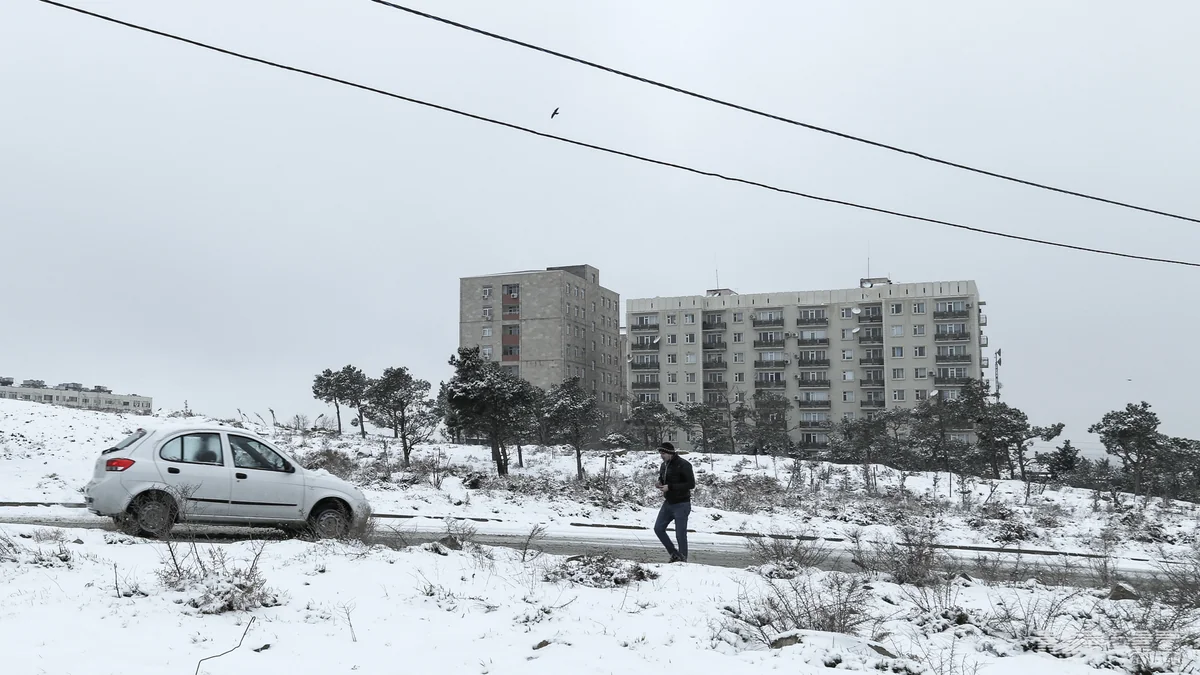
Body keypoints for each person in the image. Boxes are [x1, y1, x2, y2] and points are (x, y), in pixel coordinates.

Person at [653, 442, 696, 563]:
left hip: (682, 503)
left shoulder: (684, 465)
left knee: (680, 534)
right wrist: (659, 483)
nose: (662, 455)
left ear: (671, 453)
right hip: (668, 502)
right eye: (660, 453)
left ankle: (682, 559)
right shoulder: (664, 465)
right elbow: (662, 478)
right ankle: (674, 554)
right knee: (658, 528)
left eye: (664, 453)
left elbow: (691, 484)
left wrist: (670, 487)